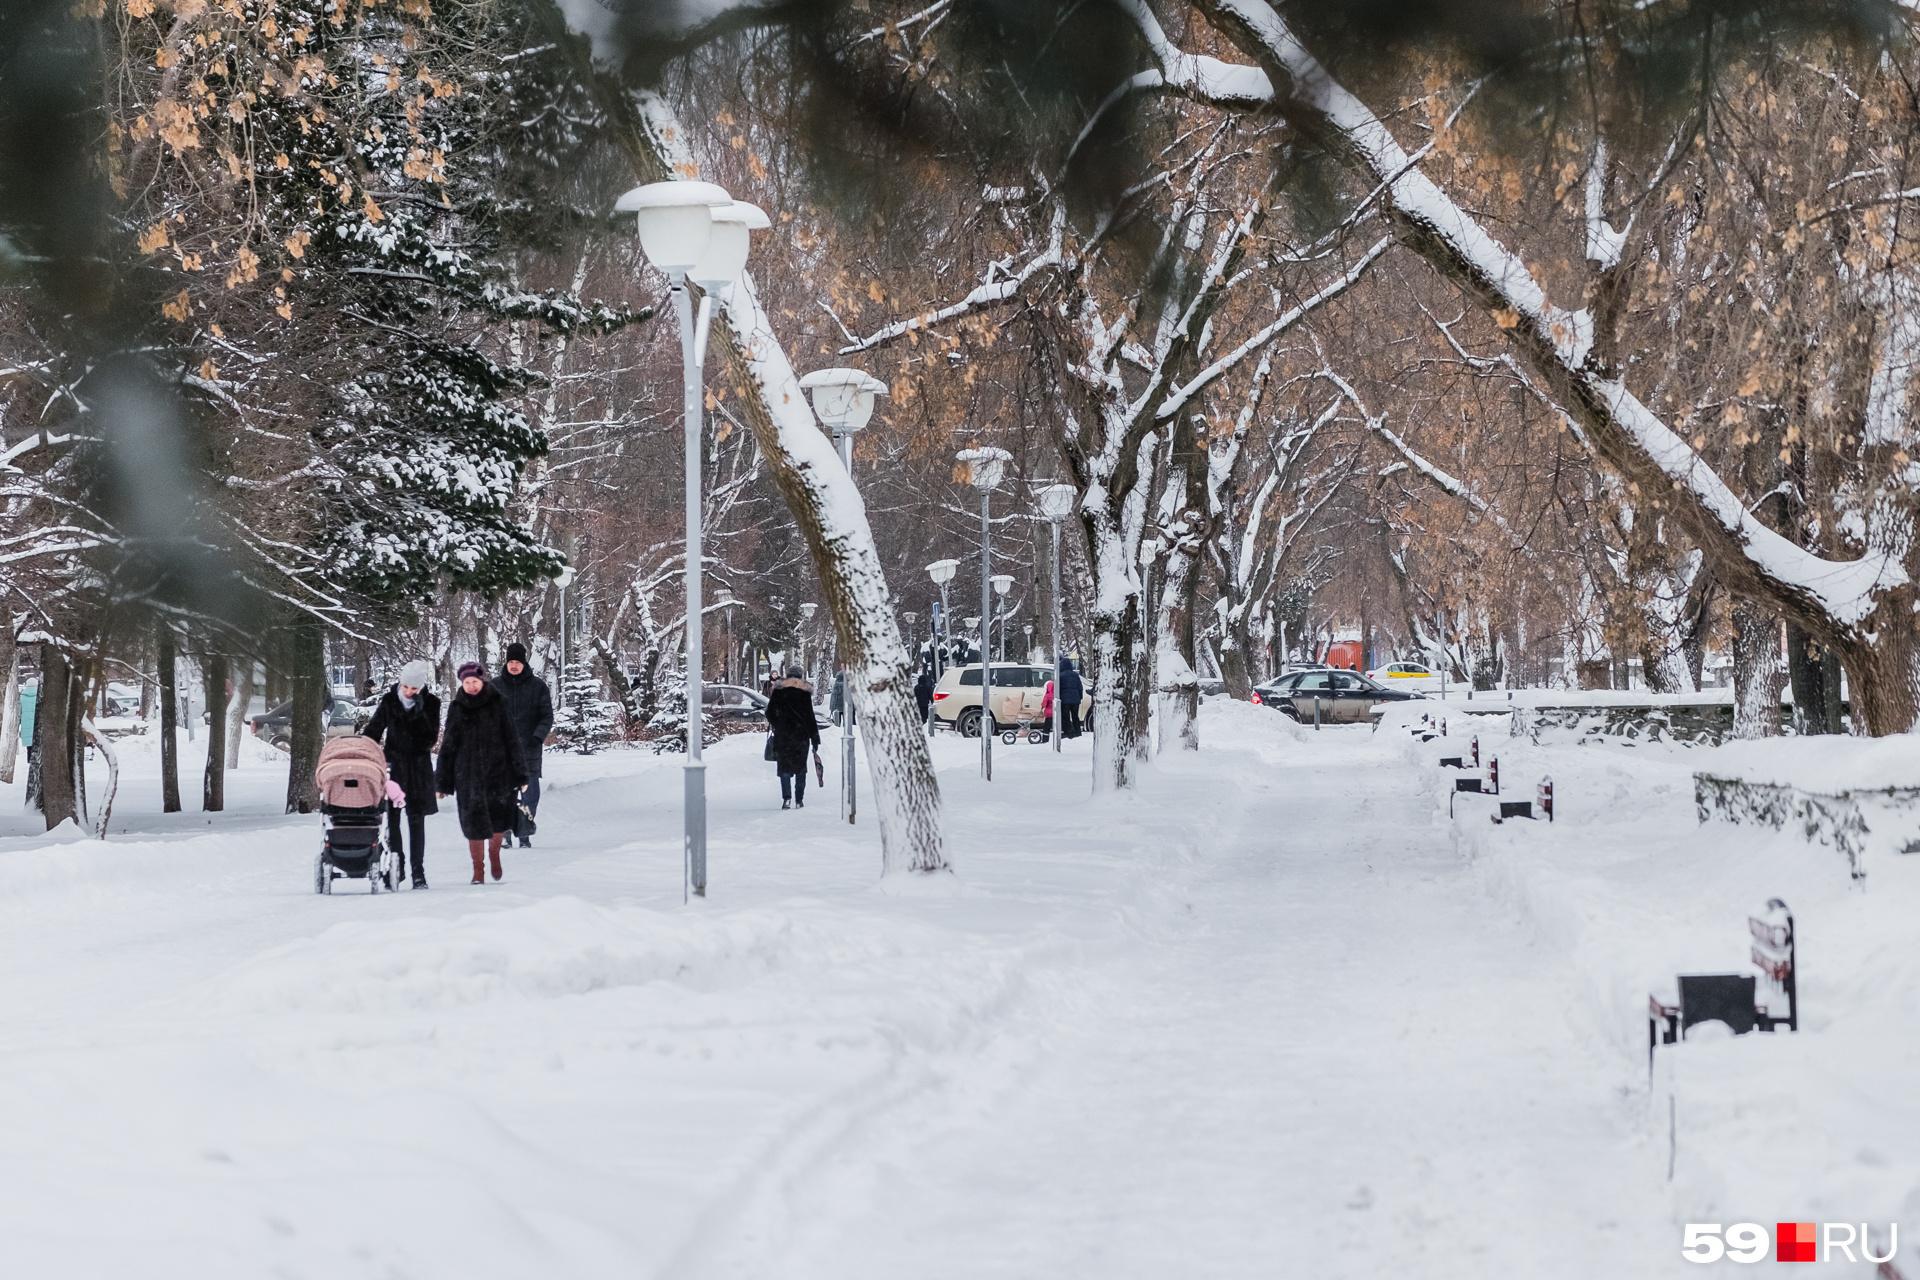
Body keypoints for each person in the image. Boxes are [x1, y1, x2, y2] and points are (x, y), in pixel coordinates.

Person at [435, 662, 528, 884]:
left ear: (482, 680)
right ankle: (478, 870)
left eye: (474, 682)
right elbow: (448, 745)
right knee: (473, 824)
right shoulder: (457, 707)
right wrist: (442, 783)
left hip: (499, 772)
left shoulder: (498, 702)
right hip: (467, 776)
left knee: (497, 820)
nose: (471, 686)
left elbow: (512, 739)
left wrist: (520, 774)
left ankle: (494, 856)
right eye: (466, 682)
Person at [360, 660, 440, 889]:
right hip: (394, 767)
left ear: (421, 687)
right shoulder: (390, 701)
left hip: (418, 768)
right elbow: (375, 729)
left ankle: (418, 873)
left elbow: (430, 738)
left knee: (416, 820)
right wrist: (364, 749)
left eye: (413, 689)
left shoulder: (431, 703)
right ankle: (397, 867)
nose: (408, 692)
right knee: (392, 821)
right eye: (405, 687)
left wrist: (420, 712)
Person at [495, 642, 553, 849]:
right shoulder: (495, 686)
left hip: (529, 750)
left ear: (523, 663)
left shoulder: (537, 687)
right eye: (510, 661)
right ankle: (506, 832)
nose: (513, 665)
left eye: (517, 662)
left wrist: (537, 736)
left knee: (530, 797)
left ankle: (523, 830)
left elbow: (546, 716)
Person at [765, 666, 820, 809]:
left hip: (783, 735)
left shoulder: (779, 691)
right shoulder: (804, 692)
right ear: (801, 676)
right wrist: (814, 738)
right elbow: (810, 716)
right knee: (801, 768)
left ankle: (786, 798)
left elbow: (769, 712)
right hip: (801, 736)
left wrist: (778, 723)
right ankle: (799, 800)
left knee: (784, 767)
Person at [1057, 655, 1085, 739]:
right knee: (1075, 715)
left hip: (1065, 699)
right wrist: (1079, 697)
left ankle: (1068, 732)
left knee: (1066, 716)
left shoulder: (1060, 675)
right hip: (1075, 699)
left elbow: (1058, 688)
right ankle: (1077, 731)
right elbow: (1080, 687)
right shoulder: (1075, 675)